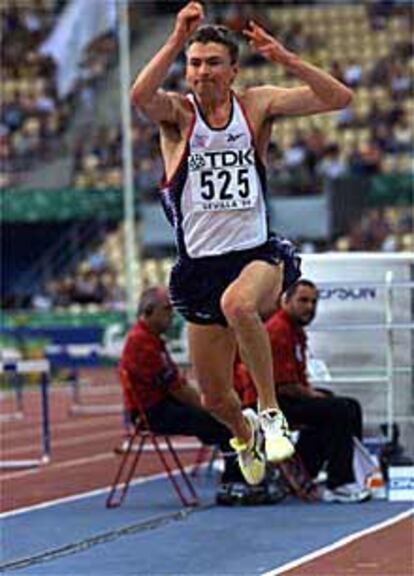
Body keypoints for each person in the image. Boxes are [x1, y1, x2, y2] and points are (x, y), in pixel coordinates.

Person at [130, 1, 353, 486]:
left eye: (213, 62)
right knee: (214, 398)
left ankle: (270, 412)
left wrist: (287, 58)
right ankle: (244, 431)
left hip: (256, 255)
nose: (202, 71)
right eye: (194, 63)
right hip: (197, 268)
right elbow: (140, 96)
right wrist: (173, 41)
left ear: (233, 69)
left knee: (238, 303)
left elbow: (339, 99)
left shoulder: (255, 104)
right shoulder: (179, 117)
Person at [236, 279, 371, 503]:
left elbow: (295, 381)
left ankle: (324, 470)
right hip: (268, 404)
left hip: (285, 397)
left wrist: (314, 394)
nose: (310, 307)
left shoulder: (295, 331)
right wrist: (312, 395)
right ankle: (340, 482)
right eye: (303, 300)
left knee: (346, 406)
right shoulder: (278, 330)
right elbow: (283, 384)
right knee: (338, 409)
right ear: (285, 301)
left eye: (314, 302)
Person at [119, 286, 241, 487]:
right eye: (167, 309)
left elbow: (177, 384)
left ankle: (237, 471)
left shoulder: (151, 338)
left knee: (220, 418)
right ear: (149, 311)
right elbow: (176, 388)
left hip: (161, 405)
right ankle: (235, 479)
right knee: (223, 423)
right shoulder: (141, 342)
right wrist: (209, 406)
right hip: (152, 413)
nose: (172, 315)